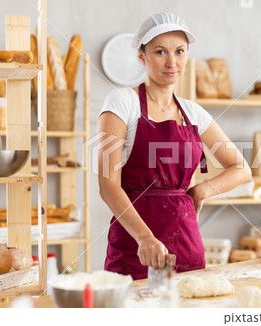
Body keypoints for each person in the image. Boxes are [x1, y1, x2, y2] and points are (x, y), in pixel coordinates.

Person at [98, 12, 251, 280]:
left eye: (180, 51)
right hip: (136, 248)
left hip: (187, 243)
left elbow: (241, 169)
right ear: (142, 56)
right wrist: (144, 238)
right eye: (160, 52)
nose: (172, 62)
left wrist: (202, 189)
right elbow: (107, 184)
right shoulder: (122, 103)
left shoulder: (194, 113)